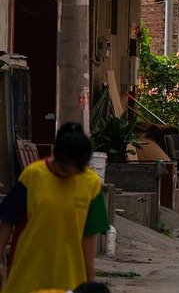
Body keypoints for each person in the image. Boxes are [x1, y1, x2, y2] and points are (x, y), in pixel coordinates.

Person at [0, 122, 110, 293]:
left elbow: (89, 235)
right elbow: (7, 220)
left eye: (76, 171)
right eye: (65, 169)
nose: (70, 175)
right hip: (28, 273)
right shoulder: (33, 175)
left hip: (70, 278)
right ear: (56, 156)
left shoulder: (91, 184)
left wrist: (90, 281)